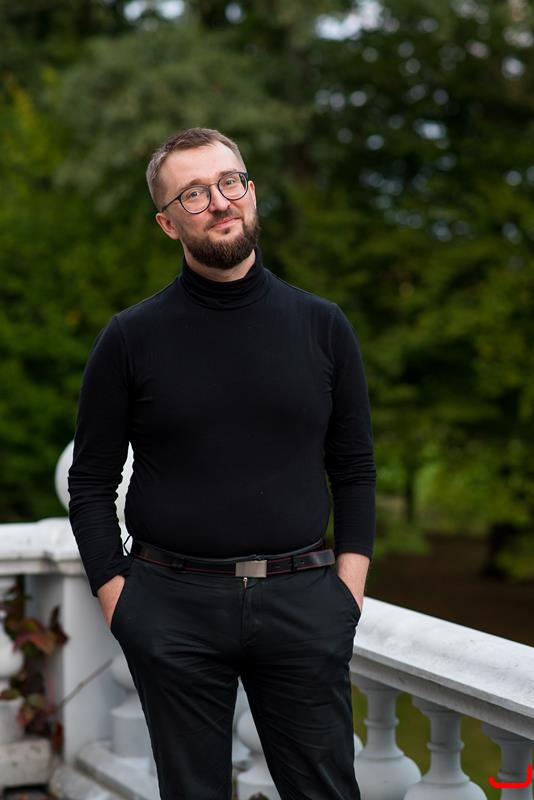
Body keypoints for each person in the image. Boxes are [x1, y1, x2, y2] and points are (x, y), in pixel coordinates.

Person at [68, 127, 376, 800]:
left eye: (229, 182)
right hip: (170, 606)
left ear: (251, 191)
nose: (218, 201)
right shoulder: (130, 338)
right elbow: (89, 481)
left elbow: (354, 467)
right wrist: (121, 601)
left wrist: (346, 595)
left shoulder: (323, 326)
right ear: (167, 221)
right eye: (193, 192)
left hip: (303, 601)